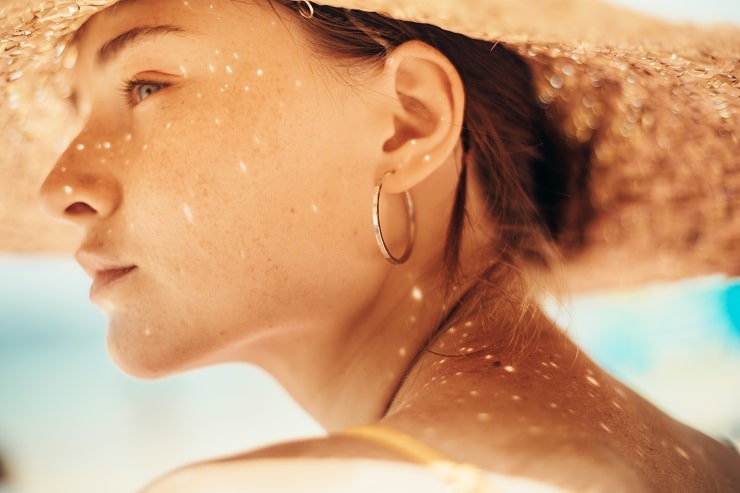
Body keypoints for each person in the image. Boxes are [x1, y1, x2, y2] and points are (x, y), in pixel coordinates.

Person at [2, 0, 739, 491]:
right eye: (79, 113)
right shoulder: (710, 463)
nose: (61, 184)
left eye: (146, 85)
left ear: (409, 122)